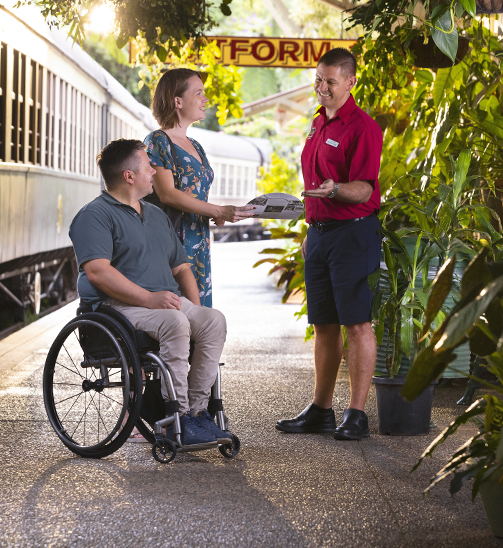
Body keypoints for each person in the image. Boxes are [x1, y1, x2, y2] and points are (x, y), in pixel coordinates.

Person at [69, 139, 230, 446]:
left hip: (166, 303)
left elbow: (181, 267)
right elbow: (97, 271)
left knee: (213, 321)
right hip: (118, 306)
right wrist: (149, 299)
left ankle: (197, 414)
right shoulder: (94, 215)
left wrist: (196, 312)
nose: (155, 170)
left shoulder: (155, 215)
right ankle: (177, 416)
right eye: (148, 166)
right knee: (175, 322)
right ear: (129, 176)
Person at [275, 48, 383, 441]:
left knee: (356, 323)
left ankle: (356, 414)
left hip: (353, 235)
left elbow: (365, 188)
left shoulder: (363, 127)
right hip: (319, 235)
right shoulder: (318, 124)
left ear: (351, 82)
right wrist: (309, 229)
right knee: (323, 324)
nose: (322, 87)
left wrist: (335, 189)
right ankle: (321, 410)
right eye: (318, 79)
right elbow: (313, 185)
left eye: (330, 82)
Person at [145, 68, 255, 308]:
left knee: (200, 315)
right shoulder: (158, 141)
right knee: (181, 315)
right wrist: (217, 210)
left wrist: (213, 212)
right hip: (174, 241)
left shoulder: (196, 144)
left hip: (199, 239)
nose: (205, 99)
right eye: (199, 93)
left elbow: (196, 193)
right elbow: (167, 194)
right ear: (177, 101)